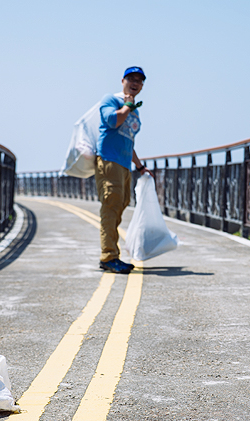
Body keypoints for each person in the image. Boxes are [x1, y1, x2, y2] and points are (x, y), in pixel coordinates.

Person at [96, 66, 153, 274]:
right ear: (123, 81)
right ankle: (109, 257)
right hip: (109, 161)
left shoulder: (134, 109)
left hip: (124, 164)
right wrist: (127, 106)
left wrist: (140, 166)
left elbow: (129, 142)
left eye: (140, 80)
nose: (135, 83)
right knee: (110, 208)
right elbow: (112, 121)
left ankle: (112, 255)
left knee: (121, 205)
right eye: (131, 79)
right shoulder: (111, 100)